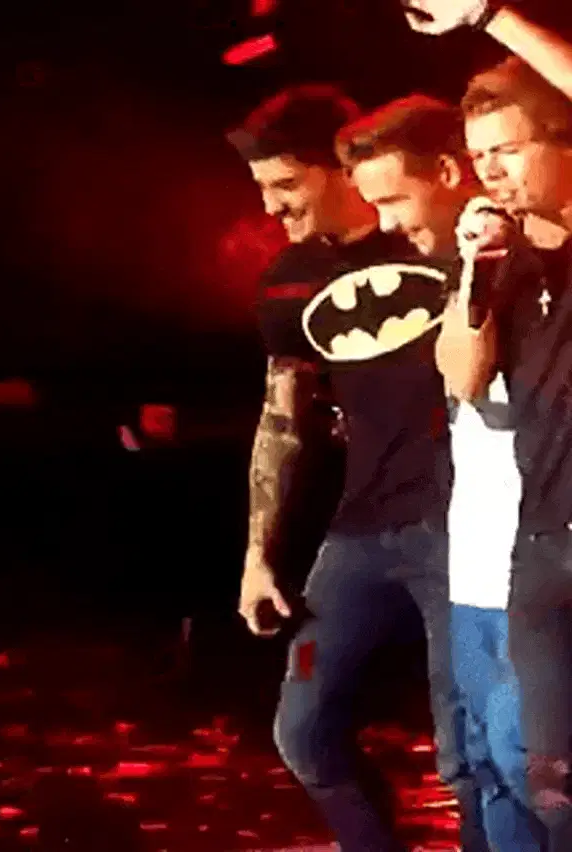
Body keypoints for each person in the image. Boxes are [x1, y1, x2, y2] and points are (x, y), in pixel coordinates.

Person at [230, 85, 485, 851]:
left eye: (287, 183)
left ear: (341, 169)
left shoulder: (436, 239)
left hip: (460, 526)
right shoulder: (287, 278)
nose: (271, 206)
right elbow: (283, 418)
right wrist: (259, 555)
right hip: (361, 530)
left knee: (468, 750)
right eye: (262, 187)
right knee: (304, 732)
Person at [338, 101, 544, 851]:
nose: (387, 223)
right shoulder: (456, 272)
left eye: (394, 199)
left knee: (529, 770)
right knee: (480, 768)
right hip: (473, 564)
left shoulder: (540, 256)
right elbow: (461, 378)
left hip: (533, 564)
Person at [400, 2, 572, 847]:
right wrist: (472, 273)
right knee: (546, 779)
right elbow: (462, 377)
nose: (490, 172)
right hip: (540, 551)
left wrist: (490, 13)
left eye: (508, 149)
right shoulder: (503, 257)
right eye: (478, 157)